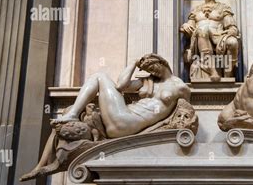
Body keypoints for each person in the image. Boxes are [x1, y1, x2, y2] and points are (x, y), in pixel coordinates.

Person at [55, 53, 190, 138]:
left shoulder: (180, 87)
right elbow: (120, 85)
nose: (152, 71)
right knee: (98, 76)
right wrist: (133, 63)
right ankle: (72, 113)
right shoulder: (147, 82)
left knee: (99, 76)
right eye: (149, 70)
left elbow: (186, 115)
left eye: (153, 67)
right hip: (123, 117)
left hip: (129, 123)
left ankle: (73, 113)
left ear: (162, 62)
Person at [181, 0, 240, 80]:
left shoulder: (223, 7)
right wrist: (185, 26)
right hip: (200, 38)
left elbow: (232, 27)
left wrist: (231, 32)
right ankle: (213, 72)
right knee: (203, 30)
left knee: (233, 42)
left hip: (219, 38)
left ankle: (228, 75)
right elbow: (190, 30)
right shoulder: (196, 10)